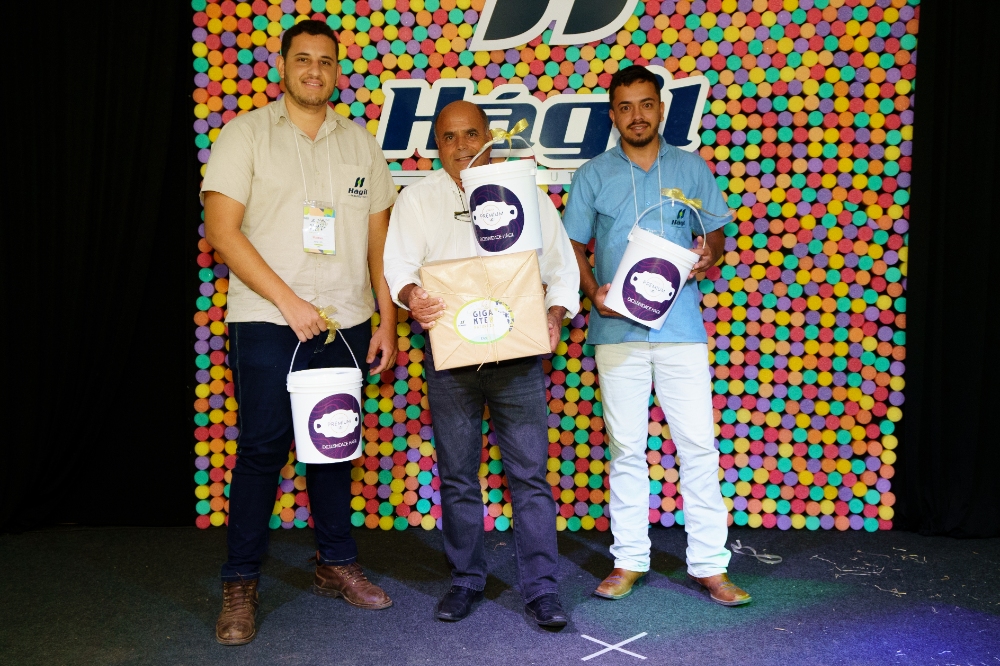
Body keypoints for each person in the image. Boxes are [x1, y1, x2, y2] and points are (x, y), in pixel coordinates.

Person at [202, 20, 399, 645]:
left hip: (346, 320)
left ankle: (335, 564)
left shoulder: (360, 144)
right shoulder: (245, 134)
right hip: (267, 321)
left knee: (333, 448)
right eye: (303, 59)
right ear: (283, 66)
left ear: (337, 71)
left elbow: (380, 242)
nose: (315, 71)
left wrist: (387, 319)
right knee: (262, 449)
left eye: (325, 61)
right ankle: (240, 582)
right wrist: (289, 302)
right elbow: (221, 230)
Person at [383, 101, 580, 627]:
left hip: (518, 358)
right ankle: (466, 579)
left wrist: (555, 315)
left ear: (488, 137)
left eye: (471, 134)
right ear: (437, 144)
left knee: (530, 476)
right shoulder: (418, 199)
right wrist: (411, 295)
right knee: (457, 476)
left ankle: (542, 589)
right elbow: (398, 265)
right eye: (449, 137)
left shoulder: (524, 191)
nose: (462, 146)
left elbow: (562, 268)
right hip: (451, 360)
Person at [562, 65, 751, 606]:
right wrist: (593, 291)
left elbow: (716, 234)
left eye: (646, 104)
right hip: (615, 328)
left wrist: (708, 255)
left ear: (660, 109)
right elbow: (572, 245)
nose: (637, 116)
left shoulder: (690, 168)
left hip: (680, 328)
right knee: (626, 449)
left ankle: (710, 567)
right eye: (625, 107)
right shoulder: (593, 174)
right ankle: (628, 561)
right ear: (613, 115)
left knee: (698, 447)